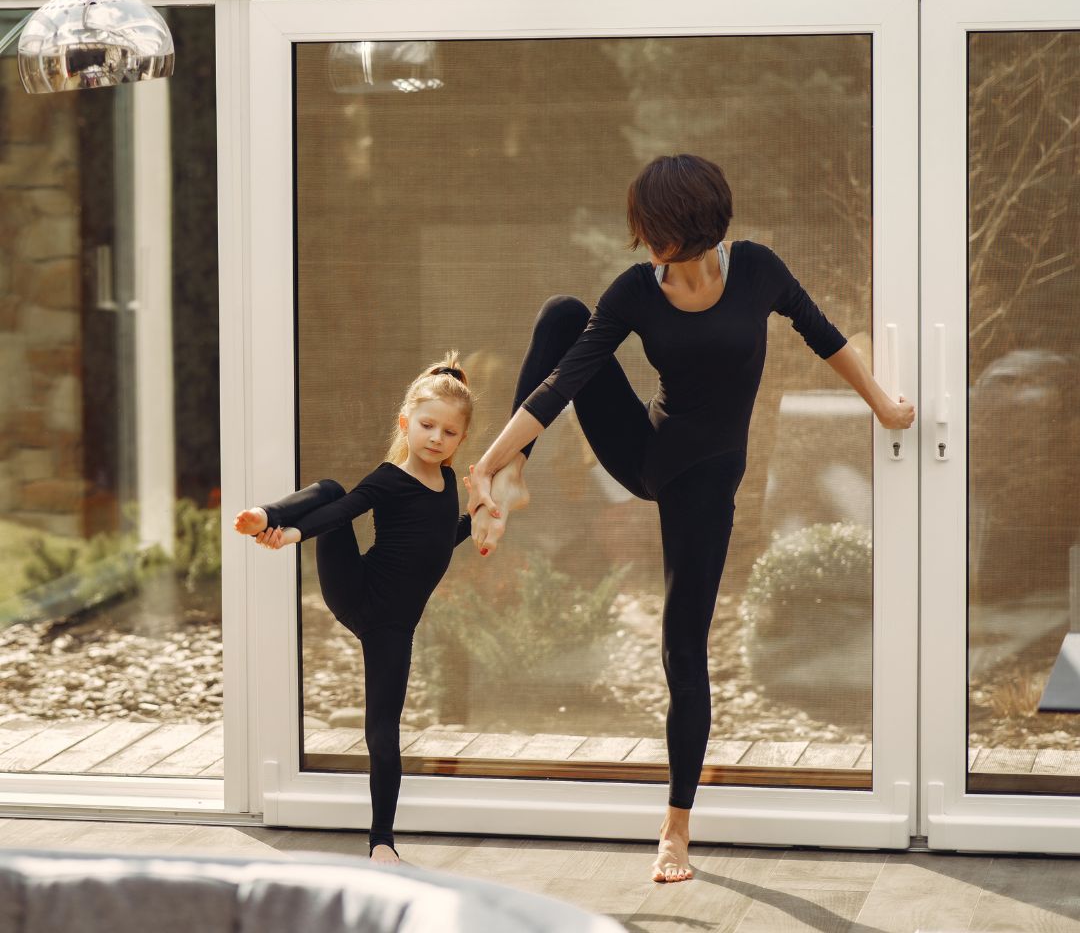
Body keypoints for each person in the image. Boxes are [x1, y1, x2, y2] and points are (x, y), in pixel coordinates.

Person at [464, 154, 915, 884]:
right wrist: (486, 463)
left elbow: (825, 336)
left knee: (683, 645)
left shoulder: (759, 270)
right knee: (560, 315)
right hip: (645, 451)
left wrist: (884, 405)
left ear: (686, 226)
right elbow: (565, 380)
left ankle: (675, 830)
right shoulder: (636, 292)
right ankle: (512, 473)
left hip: (707, 481)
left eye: (651, 231)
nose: (642, 244)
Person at [234, 353, 476, 865]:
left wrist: (475, 521)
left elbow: (433, 543)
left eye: (449, 433)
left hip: (394, 626)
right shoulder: (390, 478)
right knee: (332, 489)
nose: (436, 438)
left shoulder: (449, 485)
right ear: (405, 424)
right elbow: (344, 511)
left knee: (383, 732)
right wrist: (290, 533)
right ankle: (267, 514)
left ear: (460, 439)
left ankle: (381, 844)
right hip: (357, 589)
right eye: (427, 426)